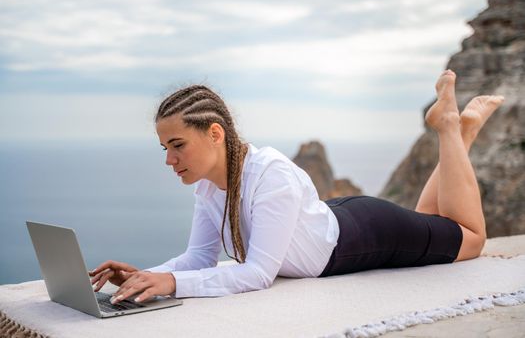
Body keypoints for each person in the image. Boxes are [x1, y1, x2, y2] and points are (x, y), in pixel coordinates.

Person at [89, 70, 504, 304]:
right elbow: (199, 257)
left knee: (470, 238)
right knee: (432, 222)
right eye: (164, 147)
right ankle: (460, 135)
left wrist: (173, 284)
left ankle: (450, 127)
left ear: (215, 134)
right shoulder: (210, 188)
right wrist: (147, 276)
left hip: (365, 236)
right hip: (336, 218)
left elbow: (257, 275)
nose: (169, 159)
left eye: (177, 146)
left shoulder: (270, 175)